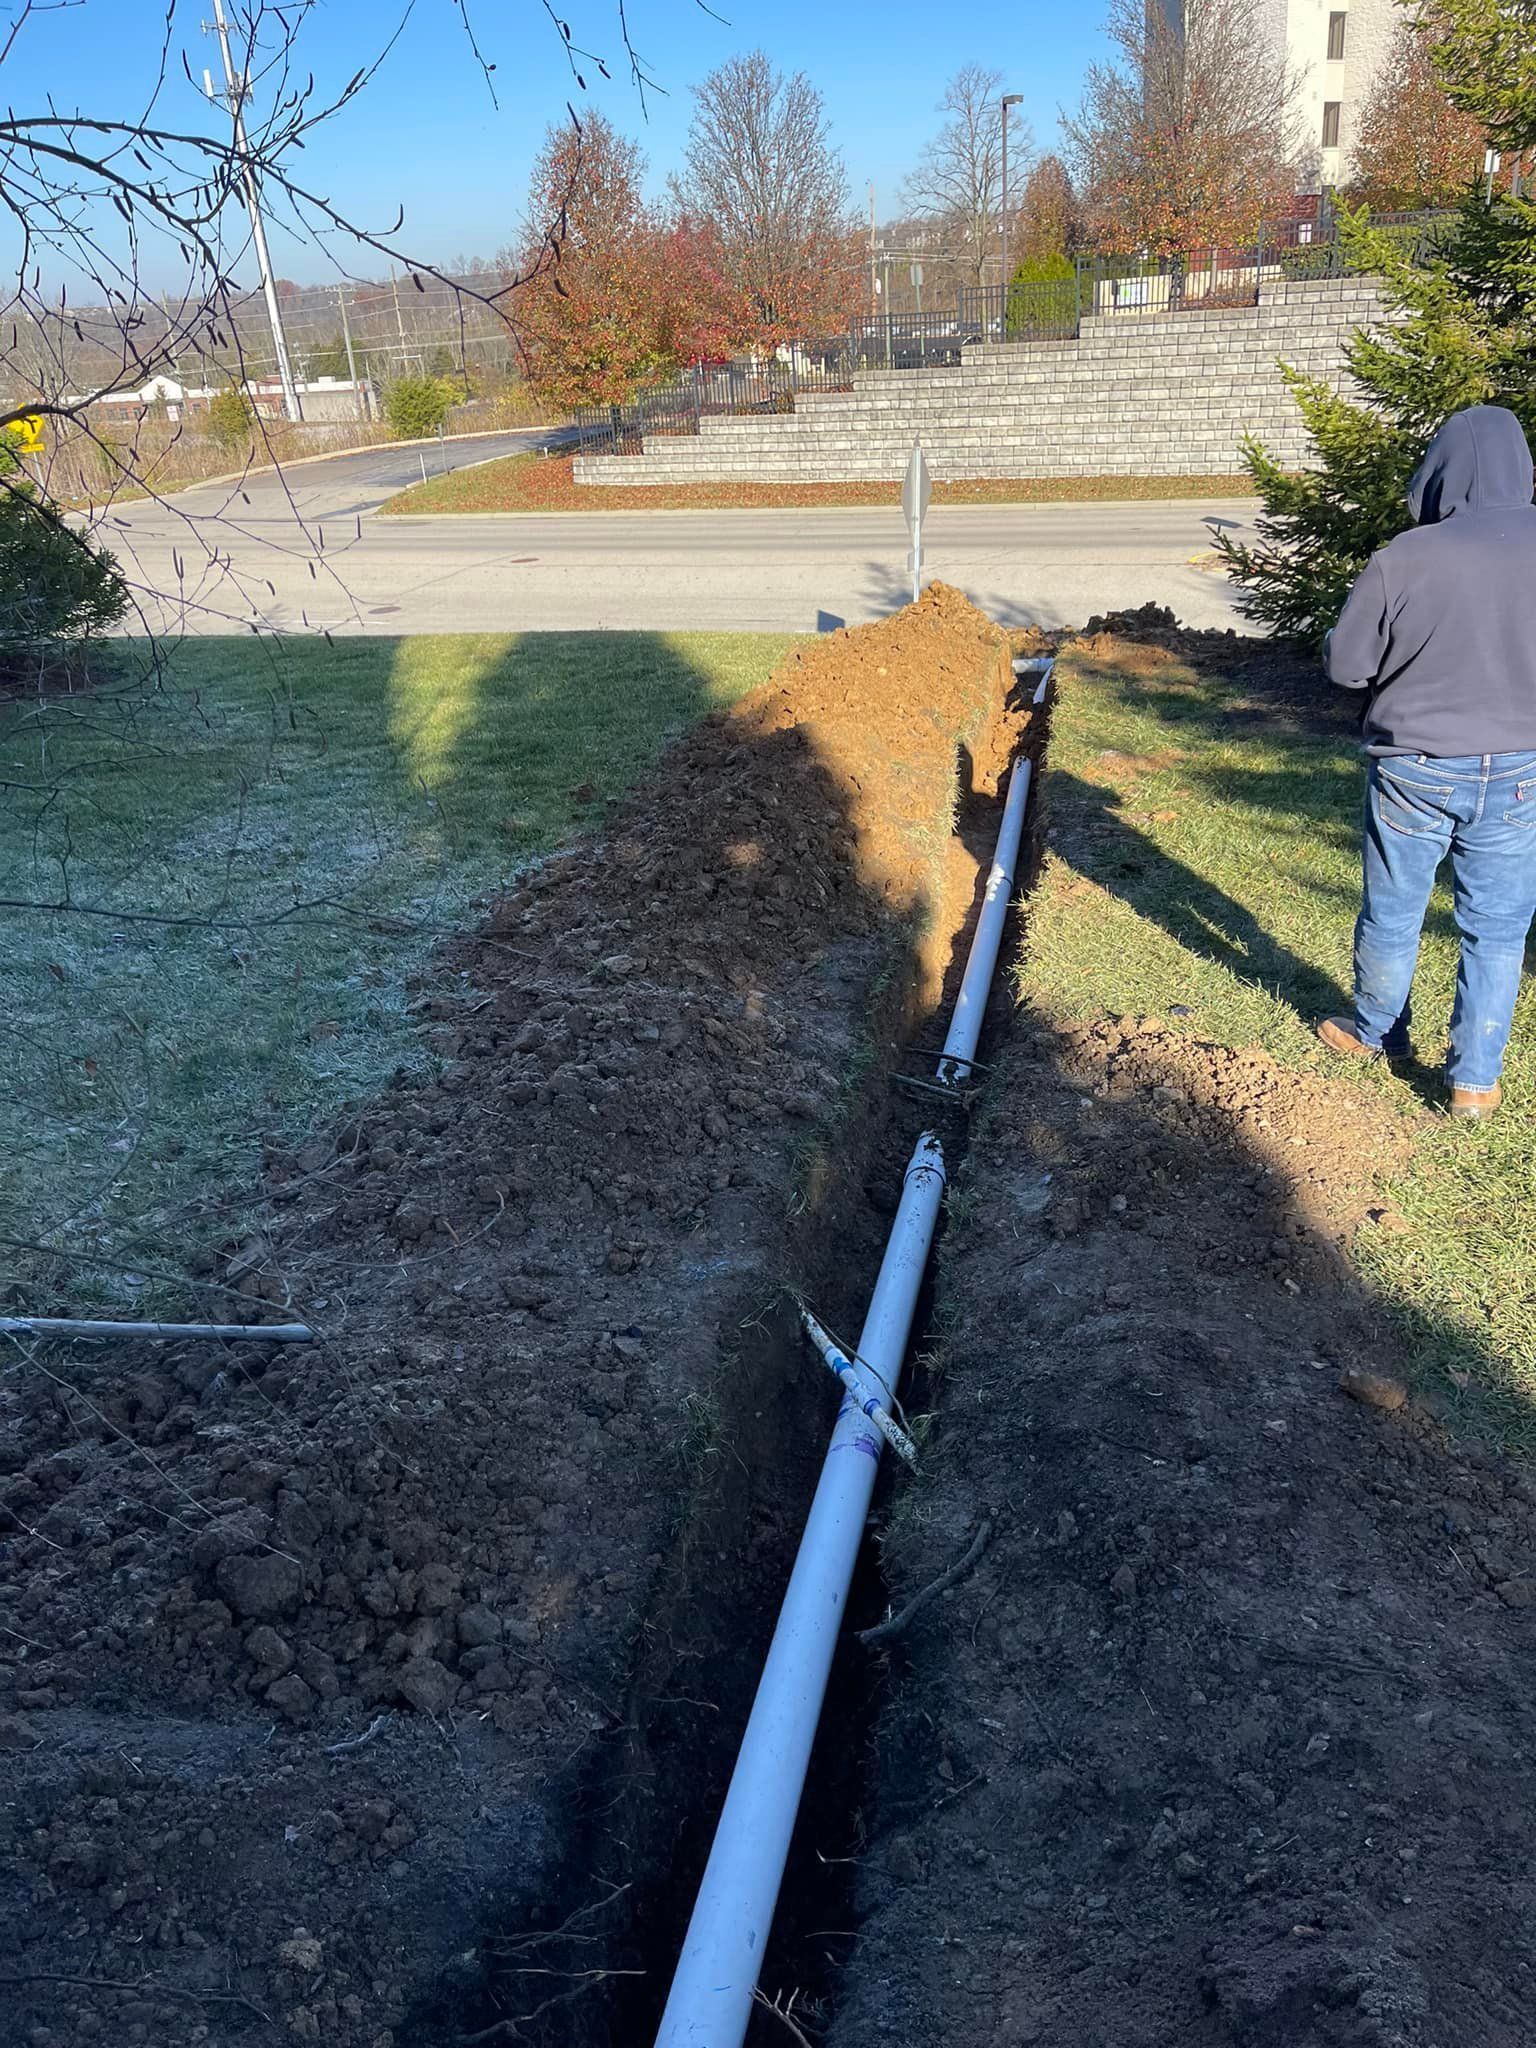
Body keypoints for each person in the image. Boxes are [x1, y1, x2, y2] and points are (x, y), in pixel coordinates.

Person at [1320, 402, 1536, 1121]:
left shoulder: (1404, 558)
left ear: (1442, 471)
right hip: (1522, 768)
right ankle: (1475, 1081)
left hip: (1415, 767)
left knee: (1395, 909)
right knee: (1497, 927)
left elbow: (1348, 668)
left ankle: (1377, 1032)